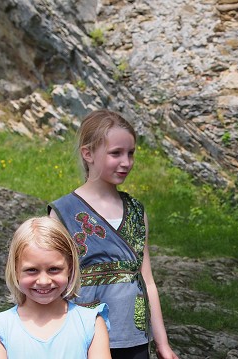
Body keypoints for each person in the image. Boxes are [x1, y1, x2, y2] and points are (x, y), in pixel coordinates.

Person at [48, 109, 178, 359]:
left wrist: (162, 342)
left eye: (131, 153)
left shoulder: (136, 212)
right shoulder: (63, 213)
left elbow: (147, 280)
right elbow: (53, 280)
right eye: (115, 153)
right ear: (88, 154)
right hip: (82, 337)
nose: (126, 162)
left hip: (134, 337)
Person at [0, 216, 111, 359]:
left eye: (54, 269)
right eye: (32, 270)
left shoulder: (91, 323)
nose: (44, 281)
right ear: (15, 270)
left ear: (70, 267)